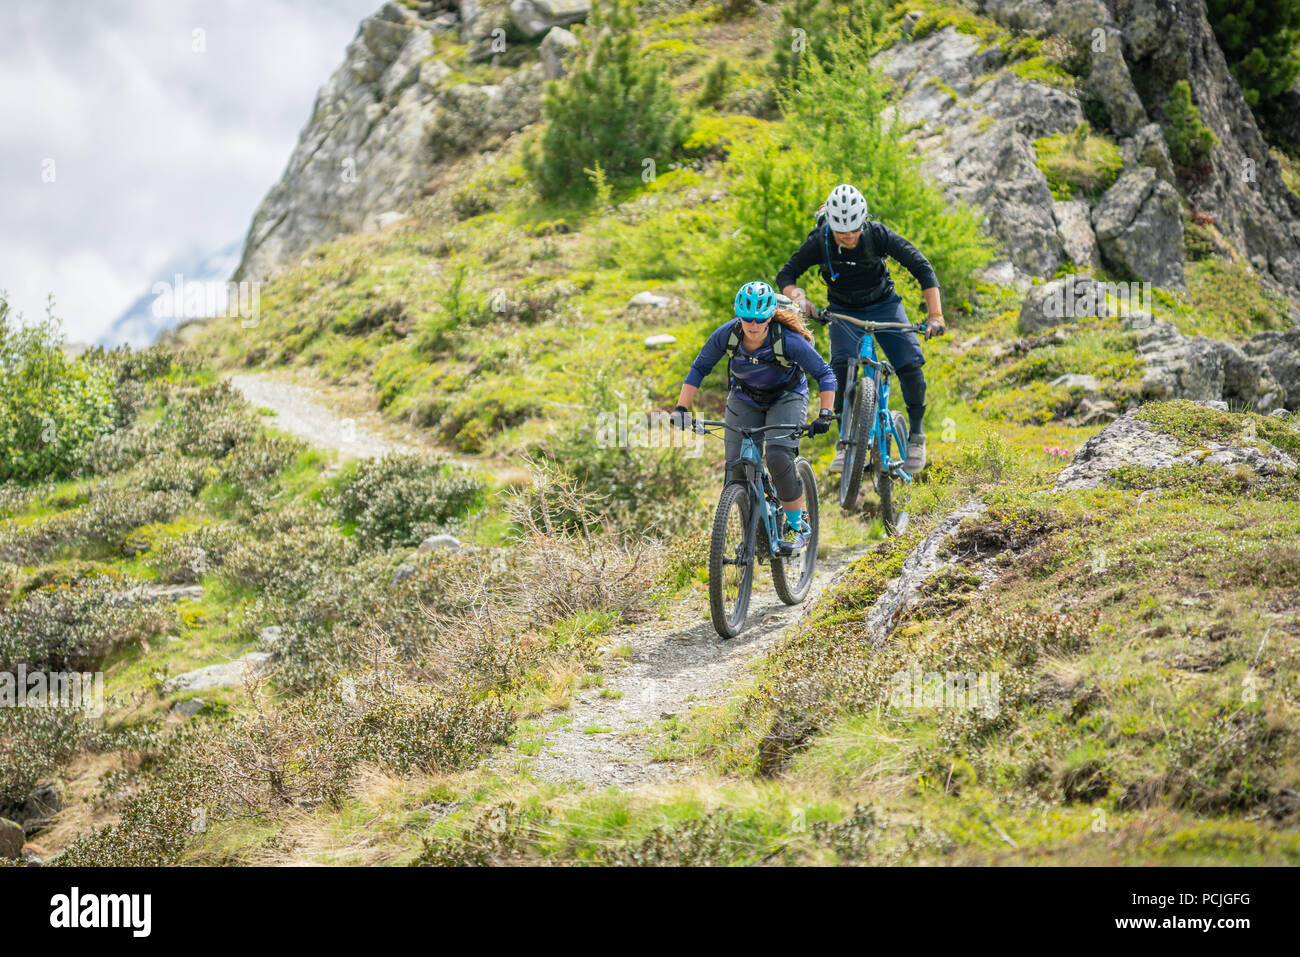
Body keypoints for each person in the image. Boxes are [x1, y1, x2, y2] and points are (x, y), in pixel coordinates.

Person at [776, 183, 946, 472]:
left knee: (910, 365)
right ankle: (844, 443)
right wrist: (800, 298)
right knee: (839, 368)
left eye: (854, 230)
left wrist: (936, 315)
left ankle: (916, 434)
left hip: (884, 304)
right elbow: (787, 275)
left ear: (863, 221)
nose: (849, 236)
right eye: (842, 232)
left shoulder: (877, 234)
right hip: (843, 311)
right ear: (830, 223)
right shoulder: (821, 241)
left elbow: (921, 267)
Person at [671, 281, 836, 551]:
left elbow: (825, 374)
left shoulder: (788, 340)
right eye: (747, 318)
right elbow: (700, 368)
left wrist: (825, 414)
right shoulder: (727, 335)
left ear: (770, 315)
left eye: (760, 319)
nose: (754, 324)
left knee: (778, 456)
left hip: (787, 396)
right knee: (737, 466)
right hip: (745, 397)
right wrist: (681, 409)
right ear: (739, 314)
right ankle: (751, 533)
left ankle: (797, 524)